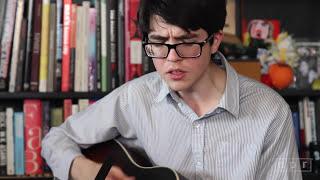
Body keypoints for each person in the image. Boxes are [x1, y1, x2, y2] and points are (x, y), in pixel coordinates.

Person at [41, 0, 303, 179]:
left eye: (186, 42)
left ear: (215, 41)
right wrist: (82, 169)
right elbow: (55, 139)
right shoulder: (136, 97)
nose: (171, 58)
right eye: (158, 42)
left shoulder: (270, 112)